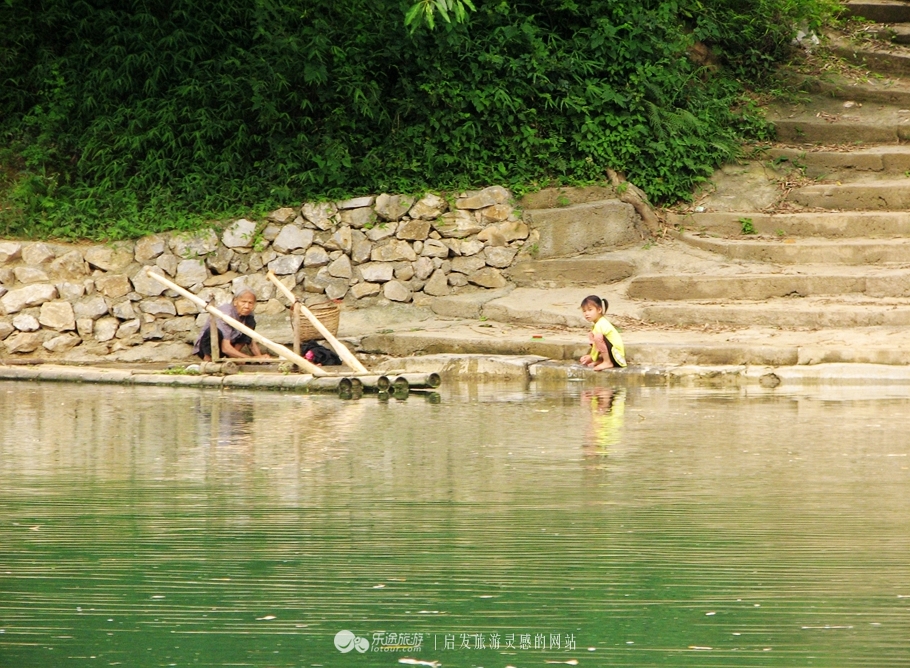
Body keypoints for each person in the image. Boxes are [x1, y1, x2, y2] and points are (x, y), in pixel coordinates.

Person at [192, 289, 271, 361]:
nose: (247, 306)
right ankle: (209, 359)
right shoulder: (225, 314)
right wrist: (251, 359)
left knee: (250, 322)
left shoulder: (248, 316)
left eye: (250, 303)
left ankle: (234, 356)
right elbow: (225, 348)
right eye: (243, 302)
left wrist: (260, 357)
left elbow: (250, 340)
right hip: (210, 347)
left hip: (229, 346)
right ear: (235, 301)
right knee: (215, 332)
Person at [579, 295, 626, 370]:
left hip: (617, 357)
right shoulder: (597, 324)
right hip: (612, 355)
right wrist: (591, 356)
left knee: (598, 337)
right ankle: (601, 360)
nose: (586, 313)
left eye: (590, 310)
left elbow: (598, 342)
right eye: (584, 311)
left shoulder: (601, 324)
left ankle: (607, 362)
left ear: (599, 310)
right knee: (592, 335)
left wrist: (591, 357)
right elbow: (596, 345)